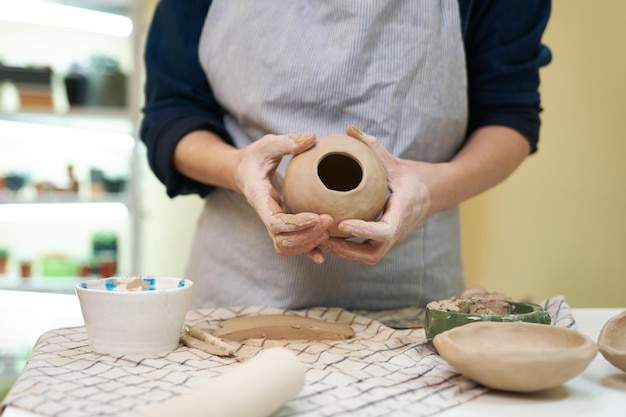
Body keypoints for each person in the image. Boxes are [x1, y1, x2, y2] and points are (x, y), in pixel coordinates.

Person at [140, 0, 552, 310]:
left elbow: (509, 114)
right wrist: (237, 168)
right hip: (241, 283)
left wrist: (430, 190)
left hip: (407, 291)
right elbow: (172, 113)